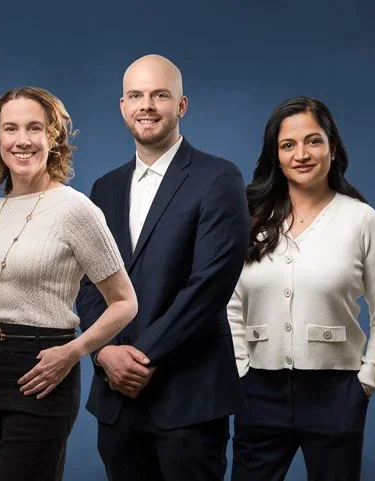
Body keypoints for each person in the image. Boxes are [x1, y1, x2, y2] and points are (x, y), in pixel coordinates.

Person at [0, 86, 137, 481]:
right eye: (10, 128)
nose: (22, 140)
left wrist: (74, 351)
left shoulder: (75, 209)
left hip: (42, 369)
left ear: (53, 137)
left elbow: (124, 302)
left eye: (34, 128)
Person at [75, 54, 249, 480]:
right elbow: (86, 285)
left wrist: (142, 356)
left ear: (182, 105)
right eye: (136, 95)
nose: (146, 105)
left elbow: (209, 287)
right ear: (122, 106)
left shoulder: (218, 178)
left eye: (159, 95)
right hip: (117, 402)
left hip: (188, 399)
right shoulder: (105, 188)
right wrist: (104, 353)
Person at [228, 96, 375, 481]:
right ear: (275, 155)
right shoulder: (251, 217)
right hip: (260, 391)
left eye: (313, 141)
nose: (301, 154)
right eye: (288, 145)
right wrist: (243, 370)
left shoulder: (361, 220)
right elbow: (230, 302)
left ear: (332, 147)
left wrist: (364, 385)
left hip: (335, 393)